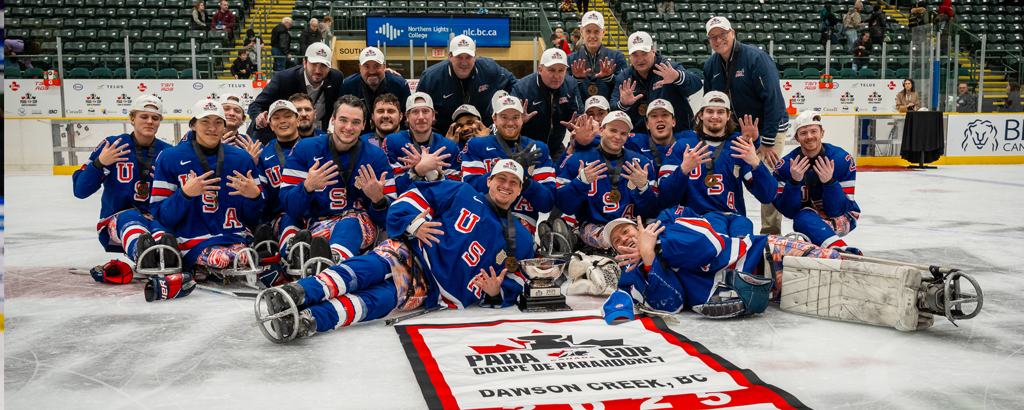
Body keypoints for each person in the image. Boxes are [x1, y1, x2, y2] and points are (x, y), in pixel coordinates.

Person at [254, 159, 534, 342]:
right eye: (501, 179)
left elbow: (517, 281)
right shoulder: (460, 191)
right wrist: (414, 224)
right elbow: (412, 197)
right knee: (366, 269)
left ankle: (310, 320)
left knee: (378, 302)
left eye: (513, 182)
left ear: (520, 190)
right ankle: (299, 292)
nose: (505, 186)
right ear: (489, 180)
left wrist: (498, 293)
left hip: (435, 289)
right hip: (411, 251)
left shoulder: (520, 237)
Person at [151, 100, 265, 276]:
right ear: (193, 125)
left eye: (218, 122)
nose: (212, 127)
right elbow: (162, 216)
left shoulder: (242, 158)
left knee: (241, 258)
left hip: (234, 237)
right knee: (221, 259)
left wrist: (255, 197)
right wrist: (185, 194)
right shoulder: (170, 157)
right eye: (205, 121)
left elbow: (254, 218)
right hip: (191, 240)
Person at [278, 95, 397, 263]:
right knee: (288, 218)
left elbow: (387, 220)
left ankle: (331, 261)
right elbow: (289, 206)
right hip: (314, 223)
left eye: (356, 122)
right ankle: (293, 255)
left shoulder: (376, 156)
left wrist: (378, 200)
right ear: (332, 120)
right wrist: (307, 187)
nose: (348, 127)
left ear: (364, 125)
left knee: (351, 222)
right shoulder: (305, 149)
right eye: (343, 120)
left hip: (354, 224)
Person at [702, 17, 788, 235]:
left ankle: (771, 233)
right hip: (737, 132)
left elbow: (775, 100)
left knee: (767, 176)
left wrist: (767, 141)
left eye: (722, 34)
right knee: (730, 174)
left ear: (732, 33)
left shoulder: (756, 58)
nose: (718, 39)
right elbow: (710, 102)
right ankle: (730, 220)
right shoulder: (711, 65)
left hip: (770, 128)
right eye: (713, 36)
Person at [73, 95, 177, 272]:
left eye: (155, 118)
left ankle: (167, 256)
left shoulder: (168, 153)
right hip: (119, 219)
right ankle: (142, 253)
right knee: (130, 218)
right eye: (144, 117)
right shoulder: (113, 145)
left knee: (163, 227)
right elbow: (80, 190)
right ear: (132, 119)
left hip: (155, 216)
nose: (150, 121)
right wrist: (100, 163)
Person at [658, 92, 776, 237]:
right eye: (709, 111)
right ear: (701, 115)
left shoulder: (739, 147)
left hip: (734, 218)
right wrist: (683, 170)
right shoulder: (682, 146)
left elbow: (767, 196)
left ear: (728, 116)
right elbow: (665, 198)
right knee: (717, 236)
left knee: (745, 236)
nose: (715, 116)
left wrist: (756, 164)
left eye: (720, 112)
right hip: (695, 219)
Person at [555, 111, 659, 250]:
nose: (618, 137)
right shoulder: (576, 160)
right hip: (594, 226)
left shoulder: (642, 163)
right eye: (613, 130)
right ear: (601, 130)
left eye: (623, 133)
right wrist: (581, 182)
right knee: (613, 242)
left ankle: (576, 241)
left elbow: (651, 211)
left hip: (629, 226)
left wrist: (643, 188)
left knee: (647, 238)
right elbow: (565, 206)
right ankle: (577, 238)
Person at [462, 95, 557, 234]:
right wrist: (510, 166)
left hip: (523, 218)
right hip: (484, 214)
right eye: (504, 117)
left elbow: (547, 203)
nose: (510, 122)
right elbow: (470, 192)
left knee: (514, 238)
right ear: (494, 119)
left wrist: (524, 182)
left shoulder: (538, 148)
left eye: (515, 117)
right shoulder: (476, 145)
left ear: (522, 119)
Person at [772, 111, 861, 253]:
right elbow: (789, 212)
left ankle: (836, 249)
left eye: (814, 131)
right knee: (802, 218)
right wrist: (794, 182)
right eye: (803, 133)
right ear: (796, 137)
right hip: (807, 217)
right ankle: (841, 250)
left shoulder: (841, 159)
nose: (809, 137)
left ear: (822, 133)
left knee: (805, 220)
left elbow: (837, 210)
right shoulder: (785, 166)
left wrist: (830, 183)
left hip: (843, 215)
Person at [416, 35, 517, 134]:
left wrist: (511, 108)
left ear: (475, 56)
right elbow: (417, 108)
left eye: (468, 57)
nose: (464, 63)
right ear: (450, 56)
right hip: (446, 136)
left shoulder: (489, 69)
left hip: (482, 134)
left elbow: (515, 85)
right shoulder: (431, 77)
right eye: (459, 57)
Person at [248, 42, 345, 145]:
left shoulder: (336, 78)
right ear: (304, 62)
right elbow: (256, 105)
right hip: (272, 141)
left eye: (323, 65)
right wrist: (259, 119)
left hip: (309, 139)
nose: (318, 70)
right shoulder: (284, 79)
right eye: (314, 64)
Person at [611, 31, 702, 135]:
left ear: (653, 51)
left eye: (644, 53)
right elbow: (613, 110)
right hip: (642, 140)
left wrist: (678, 77)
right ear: (629, 57)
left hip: (679, 135)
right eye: (635, 55)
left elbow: (697, 83)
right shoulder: (624, 78)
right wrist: (623, 105)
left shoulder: (668, 68)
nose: (640, 59)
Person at [252, 100, 304, 279]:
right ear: (271, 125)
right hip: (282, 218)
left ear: (297, 120)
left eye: (288, 116)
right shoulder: (264, 155)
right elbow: (262, 199)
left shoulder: (316, 147)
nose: (283, 121)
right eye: (277, 118)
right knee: (289, 217)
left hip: (316, 215)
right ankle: (292, 255)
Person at [383, 92, 463, 193]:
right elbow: (393, 190)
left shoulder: (449, 146)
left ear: (433, 115)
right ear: (407, 117)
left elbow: (456, 190)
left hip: (439, 205)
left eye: (425, 111)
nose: (421, 117)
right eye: (415, 112)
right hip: (406, 203)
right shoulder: (392, 142)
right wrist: (417, 170)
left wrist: (431, 172)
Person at [511, 48, 581, 162]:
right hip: (526, 148)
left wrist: (576, 124)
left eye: (561, 70)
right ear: (540, 69)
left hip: (556, 147)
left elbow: (578, 114)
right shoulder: (522, 88)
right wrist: (519, 122)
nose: (557, 76)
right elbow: (507, 124)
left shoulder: (571, 84)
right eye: (551, 70)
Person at [338, 47, 411, 135]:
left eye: (377, 66)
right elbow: (342, 116)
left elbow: (406, 120)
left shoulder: (399, 85)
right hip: (358, 139)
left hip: (392, 138)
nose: (372, 71)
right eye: (367, 66)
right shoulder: (348, 85)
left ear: (384, 66)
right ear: (360, 67)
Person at [568, 12, 628, 103]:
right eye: (588, 31)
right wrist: (576, 80)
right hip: (580, 114)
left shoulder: (618, 57)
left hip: (608, 113)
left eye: (596, 31)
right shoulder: (570, 59)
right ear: (581, 32)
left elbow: (625, 88)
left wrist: (610, 78)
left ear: (603, 32)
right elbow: (564, 92)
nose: (592, 36)